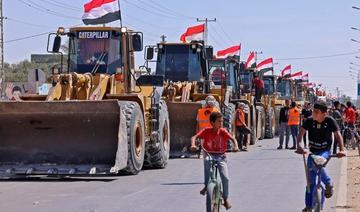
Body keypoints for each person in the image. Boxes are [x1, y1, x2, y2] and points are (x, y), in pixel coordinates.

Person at [295, 101, 346, 212]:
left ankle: (327, 184)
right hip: (312, 152)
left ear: (324, 113)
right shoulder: (309, 121)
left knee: (319, 161)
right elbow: (300, 135)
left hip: (325, 151)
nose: (313, 113)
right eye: (313, 111)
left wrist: (341, 150)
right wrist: (300, 147)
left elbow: (338, 135)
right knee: (310, 183)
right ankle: (308, 206)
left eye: (316, 112)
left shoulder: (330, 121)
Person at [190, 112, 239, 210]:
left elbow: (233, 139)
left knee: (225, 178)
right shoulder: (206, 131)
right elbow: (194, 137)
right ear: (212, 122)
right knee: (207, 161)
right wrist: (193, 145)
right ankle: (206, 186)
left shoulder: (223, 131)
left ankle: (225, 199)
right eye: (218, 121)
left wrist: (236, 146)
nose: (221, 123)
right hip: (209, 154)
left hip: (221, 156)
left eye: (221, 121)